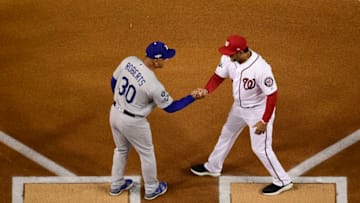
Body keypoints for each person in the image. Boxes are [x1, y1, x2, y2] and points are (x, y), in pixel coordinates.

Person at [190, 35, 293, 195]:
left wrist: (264, 120)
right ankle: (213, 167)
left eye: (231, 53)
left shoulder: (261, 68)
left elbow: (272, 95)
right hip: (239, 108)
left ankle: (282, 181)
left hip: (258, 111)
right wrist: (206, 90)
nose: (227, 56)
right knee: (227, 133)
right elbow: (218, 77)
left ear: (240, 52)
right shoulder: (228, 58)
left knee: (261, 148)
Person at [109, 41, 201, 200]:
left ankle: (116, 184)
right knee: (147, 153)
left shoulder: (129, 61)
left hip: (114, 113)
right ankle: (152, 188)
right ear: (156, 60)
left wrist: (125, 101)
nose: (167, 61)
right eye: (165, 59)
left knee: (121, 149)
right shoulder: (154, 85)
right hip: (133, 123)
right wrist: (192, 97)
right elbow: (171, 107)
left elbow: (113, 83)